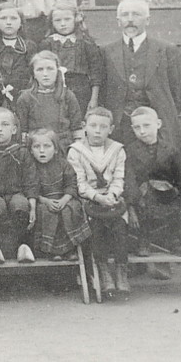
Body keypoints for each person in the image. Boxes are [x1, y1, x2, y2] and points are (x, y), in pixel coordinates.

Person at [100, 0, 181, 150]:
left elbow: (180, 94)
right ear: (118, 21)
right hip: (120, 132)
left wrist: (161, 117)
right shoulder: (106, 52)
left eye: (136, 14)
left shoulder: (167, 50)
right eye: (125, 15)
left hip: (160, 131)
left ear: (147, 20)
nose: (130, 20)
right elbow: (102, 92)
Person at [67, 107, 130, 299]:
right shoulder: (76, 151)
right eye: (93, 126)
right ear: (84, 127)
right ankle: (103, 272)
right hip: (90, 201)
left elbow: (119, 178)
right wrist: (97, 197)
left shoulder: (117, 150)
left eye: (103, 127)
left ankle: (121, 272)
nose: (97, 131)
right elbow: (80, 183)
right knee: (97, 229)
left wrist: (112, 194)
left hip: (112, 199)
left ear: (111, 129)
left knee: (120, 226)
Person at [125, 106, 181, 261]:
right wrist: (132, 203)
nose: (142, 131)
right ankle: (144, 240)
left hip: (166, 194)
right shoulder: (130, 151)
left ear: (158, 124)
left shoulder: (171, 150)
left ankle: (175, 241)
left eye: (146, 125)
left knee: (174, 201)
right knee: (144, 198)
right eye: (137, 127)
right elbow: (129, 179)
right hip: (142, 196)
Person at [0, 107, 39, 263]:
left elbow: (31, 180)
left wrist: (32, 205)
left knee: (20, 205)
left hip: (16, 193)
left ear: (14, 129)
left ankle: (20, 247)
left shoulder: (22, 152)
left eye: (5, 124)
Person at [29, 129, 91, 260]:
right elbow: (31, 188)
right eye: (36, 147)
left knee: (70, 209)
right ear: (31, 150)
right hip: (43, 200)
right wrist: (45, 201)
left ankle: (69, 249)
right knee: (46, 212)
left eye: (47, 146)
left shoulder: (63, 164)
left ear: (56, 149)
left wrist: (64, 199)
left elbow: (71, 184)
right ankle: (52, 251)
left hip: (65, 198)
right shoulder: (31, 167)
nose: (42, 151)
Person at [38, 1, 104, 114]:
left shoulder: (86, 43)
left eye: (67, 19)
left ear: (75, 20)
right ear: (51, 22)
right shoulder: (47, 43)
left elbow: (96, 73)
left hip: (81, 91)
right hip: (55, 89)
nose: (63, 24)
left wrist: (94, 99)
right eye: (58, 20)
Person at [15, 50, 83, 150]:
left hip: (64, 148)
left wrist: (77, 150)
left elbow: (76, 128)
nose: (45, 74)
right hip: (37, 149)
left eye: (50, 69)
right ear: (33, 73)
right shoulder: (26, 98)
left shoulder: (67, 96)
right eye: (40, 69)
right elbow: (23, 131)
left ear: (57, 71)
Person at [0, 2, 38, 92]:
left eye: (13, 18)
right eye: (3, 18)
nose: (8, 22)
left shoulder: (29, 47)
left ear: (21, 22)